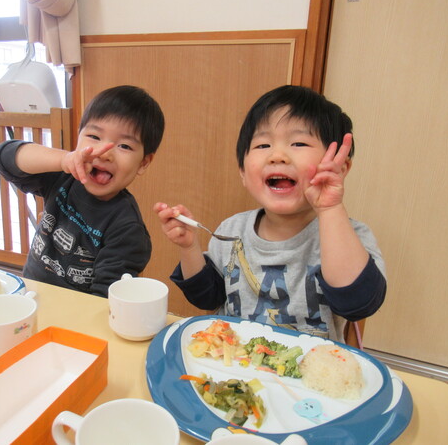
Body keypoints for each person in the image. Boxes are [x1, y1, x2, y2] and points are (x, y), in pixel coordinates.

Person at [154, 85, 385, 342]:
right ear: (243, 171)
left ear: (339, 168)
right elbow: (208, 298)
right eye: (263, 145)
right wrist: (189, 247)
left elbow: (359, 304)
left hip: (311, 373)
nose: (277, 155)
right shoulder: (232, 230)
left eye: (298, 143)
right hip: (234, 363)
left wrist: (331, 209)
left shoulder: (348, 235)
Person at [0, 85, 165, 297]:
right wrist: (63, 159)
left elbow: (105, 300)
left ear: (144, 162)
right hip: (28, 297)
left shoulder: (126, 228)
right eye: (94, 136)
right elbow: (5, 158)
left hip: (74, 320)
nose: (105, 153)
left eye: (124, 146)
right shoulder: (64, 177)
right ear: (79, 136)